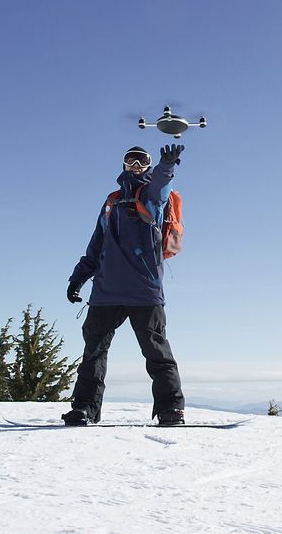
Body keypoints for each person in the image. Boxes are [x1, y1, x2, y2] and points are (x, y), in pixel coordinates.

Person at [62, 144, 186, 426]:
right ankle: (85, 408)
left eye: (141, 161)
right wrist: (78, 278)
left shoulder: (152, 198)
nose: (135, 165)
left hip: (145, 290)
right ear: (123, 165)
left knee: (156, 352)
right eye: (130, 160)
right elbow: (96, 245)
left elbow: (162, 184)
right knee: (93, 352)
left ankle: (170, 409)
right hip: (106, 291)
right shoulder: (111, 201)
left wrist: (168, 165)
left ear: (148, 165)